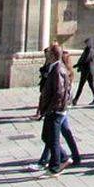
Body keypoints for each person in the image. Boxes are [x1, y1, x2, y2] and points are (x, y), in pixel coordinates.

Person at [38, 44, 71, 176]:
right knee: (47, 137)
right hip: (53, 109)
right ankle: (64, 158)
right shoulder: (55, 68)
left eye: (48, 53)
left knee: (53, 139)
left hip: (55, 110)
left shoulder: (57, 69)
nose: (46, 56)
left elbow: (59, 92)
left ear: (52, 55)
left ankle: (55, 167)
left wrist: (51, 108)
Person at [72, 37, 94, 105]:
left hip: (87, 70)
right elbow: (82, 58)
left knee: (82, 85)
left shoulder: (90, 50)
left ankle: (75, 99)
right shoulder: (87, 50)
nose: (86, 44)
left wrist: (78, 65)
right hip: (86, 70)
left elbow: (86, 59)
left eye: (87, 43)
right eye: (86, 43)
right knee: (90, 85)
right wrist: (78, 64)